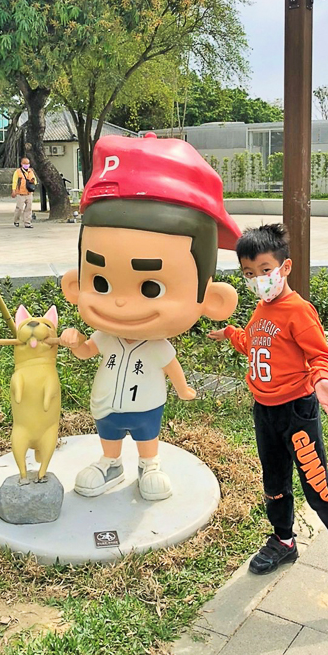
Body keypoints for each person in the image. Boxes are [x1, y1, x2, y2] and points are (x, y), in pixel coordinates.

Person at [209, 223, 328, 613]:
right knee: (274, 480)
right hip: (265, 412)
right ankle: (283, 541)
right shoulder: (262, 311)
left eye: (264, 269)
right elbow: (256, 345)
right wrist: (229, 333)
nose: (257, 279)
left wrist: (323, 379)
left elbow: (320, 355)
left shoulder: (297, 310)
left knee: (318, 489)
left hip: (296, 414)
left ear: (284, 266)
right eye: (248, 273)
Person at [54, 132, 239, 501]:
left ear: (212, 300)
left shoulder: (158, 346)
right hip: (107, 403)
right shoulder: (106, 337)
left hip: (147, 406)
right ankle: (110, 464)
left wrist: (184, 388)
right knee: (108, 433)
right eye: (101, 281)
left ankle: (149, 464)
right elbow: (90, 351)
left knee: (146, 434)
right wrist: (75, 343)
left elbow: (171, 367)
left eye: (150, 288)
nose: (121, 304)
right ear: (74, 284)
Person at [11, 157, 37, 228]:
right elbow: (15, 181)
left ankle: (27, 223)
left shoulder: (31, 171)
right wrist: (13, 190)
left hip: (29, 193)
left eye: (28, 163)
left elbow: (35, 181)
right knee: (19, 208)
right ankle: (16, 220)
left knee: (29, 208)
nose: (26, 165)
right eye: (25, 163)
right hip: (20, 193)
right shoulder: (17, 172)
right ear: (21, 164)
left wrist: (33, 181)